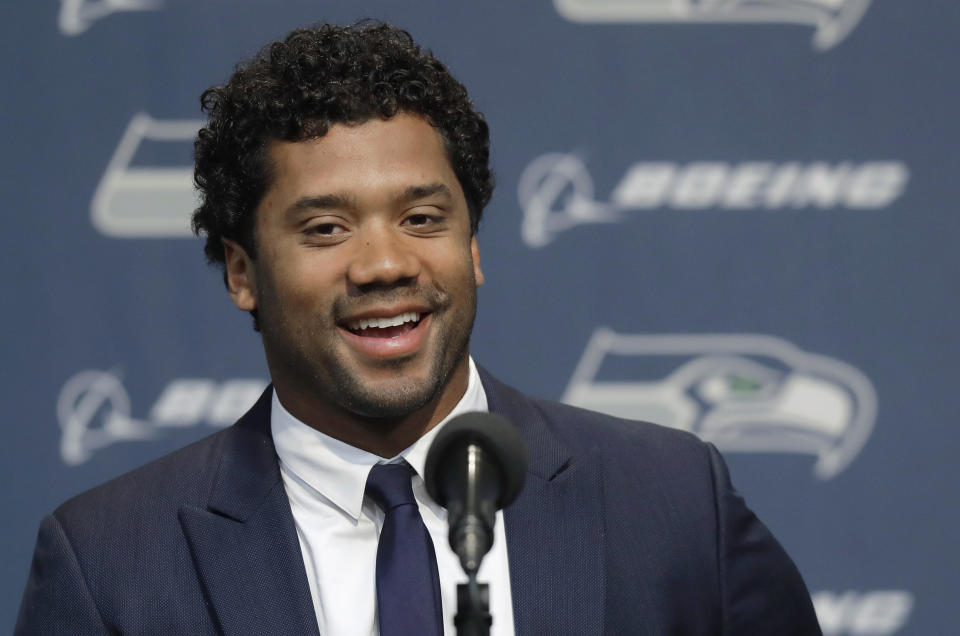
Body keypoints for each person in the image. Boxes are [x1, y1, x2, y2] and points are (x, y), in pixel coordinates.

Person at [16, 21, 822, 635]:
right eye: (326, 228)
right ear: (241, 272)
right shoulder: (109, 561)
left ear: (472, 247)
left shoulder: (673, 501)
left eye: (423, 217)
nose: (384, 264)